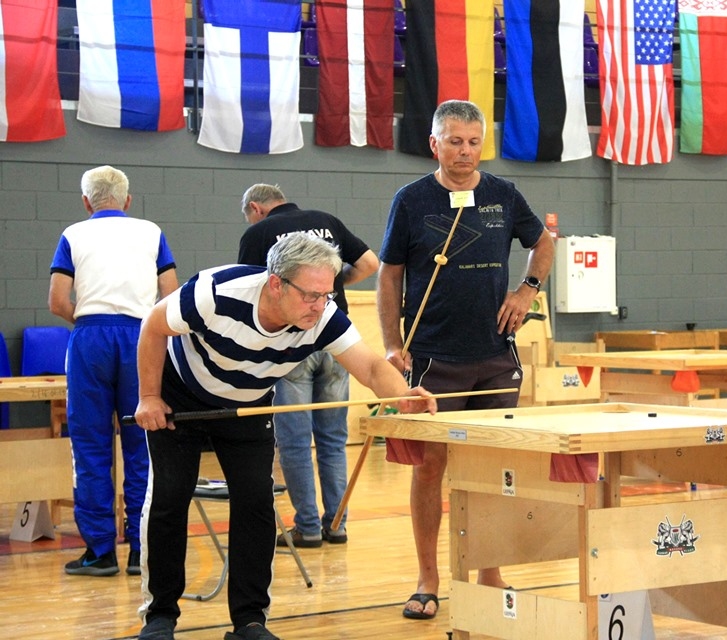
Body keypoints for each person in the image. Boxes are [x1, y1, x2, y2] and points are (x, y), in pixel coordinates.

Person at [133, 232, 436, 640]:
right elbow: (153, 327)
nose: (320, 306)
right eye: (311, 295)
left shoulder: (322, 316)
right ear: (276, 283)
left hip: (249, 404)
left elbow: (368, 367)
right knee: (170, 499)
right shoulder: (215, 292)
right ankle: (160, 617)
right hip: (180, 398)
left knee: (257, 504)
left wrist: (404, 398)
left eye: (326, 295)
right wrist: (149, 396)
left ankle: (249, 622)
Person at [378, 99, 555, 620]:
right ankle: (428, 578)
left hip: (496, 357)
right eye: (454, 141)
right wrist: (392, 344)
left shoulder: (503, 193)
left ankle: (490, 570)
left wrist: (527, 290)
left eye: (474, 142)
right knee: (432, 467)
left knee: (496, 468)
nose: (465, 151)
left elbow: (543, 244)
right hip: (434, 359)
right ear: (435, 144)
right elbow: (389, 276)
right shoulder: (411, 200)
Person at [48, 165, 178, 577]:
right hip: (142, 336)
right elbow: (172, 296)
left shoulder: (73, 234)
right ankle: (142, 549)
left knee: (89, 446)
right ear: (128, 200)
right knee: (144, 443)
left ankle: (100, 552)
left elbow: (56, 301)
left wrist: (90, 325)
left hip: (89, 337)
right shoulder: (151, 231)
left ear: (86, 202)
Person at [238, 183, 380, 547]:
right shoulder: (326, 221)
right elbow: (369, 264)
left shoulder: (258, 232)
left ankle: (308, 528)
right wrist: (330, 289)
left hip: (291, 344)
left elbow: (249, 290)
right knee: (334, 439)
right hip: (336, 339)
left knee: (295, 441)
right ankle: (337, 524)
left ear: (256, 208)